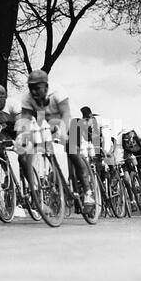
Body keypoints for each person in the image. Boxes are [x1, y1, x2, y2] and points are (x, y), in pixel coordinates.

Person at [18, 70, 95, 210]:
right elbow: (26, 120)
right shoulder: (27, 98)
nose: (33, 92)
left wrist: (62, 130)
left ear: (46, 86)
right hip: (49, 118)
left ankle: (88, 192)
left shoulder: (58, 91)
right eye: (31, 88)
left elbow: (66, 113)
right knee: (36, 144)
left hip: (72, 118)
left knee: (72, 150)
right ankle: (52, 183)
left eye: (37, 88)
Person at [117, 127, 141, 212]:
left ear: (132, 132)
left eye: (128, 134)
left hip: (140, 152)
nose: (127, 136)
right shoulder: (121, 139)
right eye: (125, 135)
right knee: (127, 179)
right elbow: (119, 151)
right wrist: (119, 160)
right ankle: (132, 201)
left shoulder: (138, 134)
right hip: (128, 154)